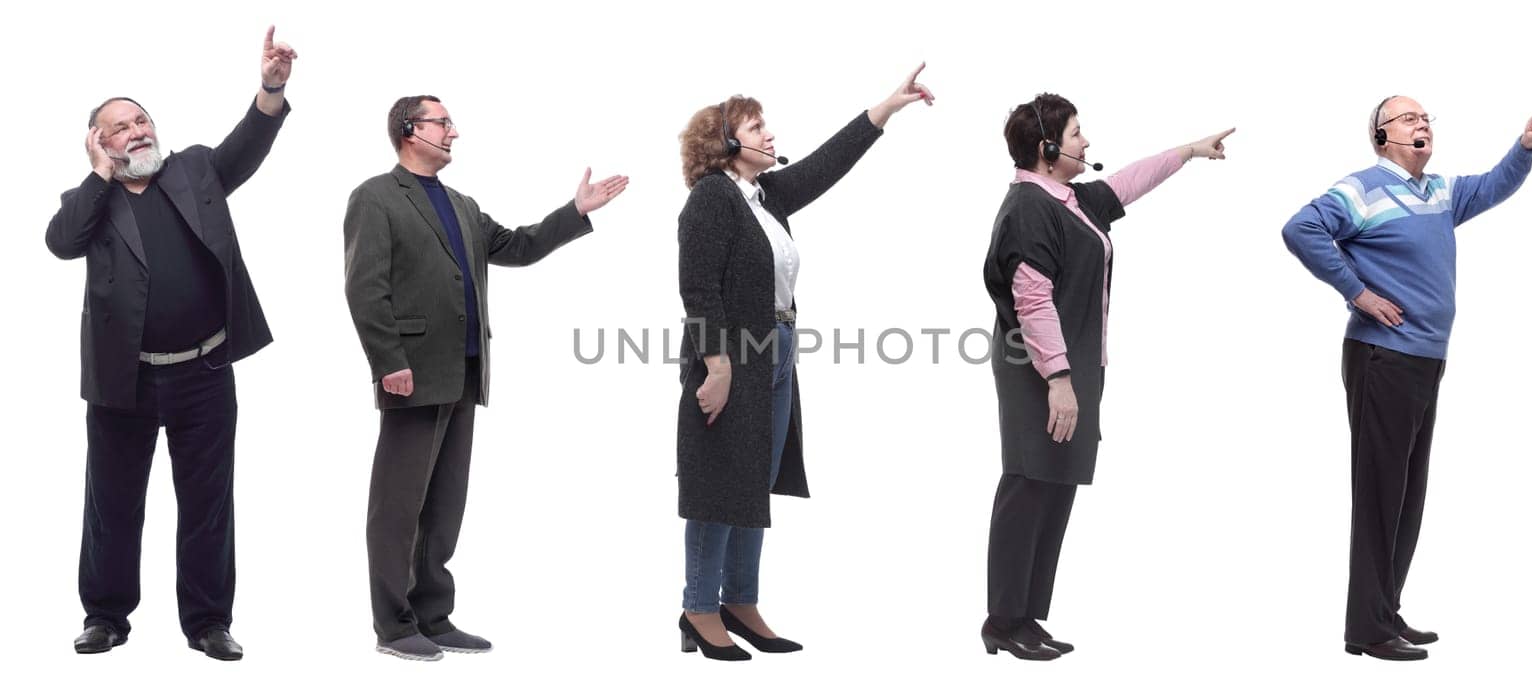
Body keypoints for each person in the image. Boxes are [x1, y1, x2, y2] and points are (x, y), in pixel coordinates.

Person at [343, 95, 628, 662]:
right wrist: (389, 361)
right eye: (441, 122)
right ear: (408, 130)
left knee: (445, 504)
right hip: (412, 374)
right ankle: (393, 625)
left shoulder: (462, 204)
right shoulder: (375, 197)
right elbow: (363, 286)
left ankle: (433, 615)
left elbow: (517, 247)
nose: (453, 131)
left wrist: (575, 211)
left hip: (464, 372)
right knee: (398, 507)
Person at [43, 26, 296, 662]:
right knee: (113, 503)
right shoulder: (89, 201)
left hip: (205, 370)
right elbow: (60, 242)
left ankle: (209, 621)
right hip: (122, 380)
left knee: (209, 503)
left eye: (142, 120)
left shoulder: (195, 169)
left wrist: (269, 89)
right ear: (100, 143)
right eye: (120, 126)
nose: (137, 131)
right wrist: (98, 176)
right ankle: (105, 615)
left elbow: (249, 145)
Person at [673, 65, 934, 661]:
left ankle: (739, 601)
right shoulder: (714, 197)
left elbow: (825, 164)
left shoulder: (763, 197)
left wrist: (886, 109)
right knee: (719, 485)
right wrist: (716, 365)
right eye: (756, 127)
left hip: (776, 350)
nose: (769, 135)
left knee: (755, 480)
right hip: (733, 358)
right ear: (726, 142)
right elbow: (698, 288)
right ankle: (698, 607)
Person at [1282, 96, 1532, 662]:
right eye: (1409, 117)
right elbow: (1300, 228)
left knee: (1407, 493)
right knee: (1381, 493)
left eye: (1427, 117)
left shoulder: (1438, 193)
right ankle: (1367, 629)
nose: (1423, 122)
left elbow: (1492, 185)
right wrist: (1358, 293)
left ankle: (1386, 612)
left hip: (1426, 358)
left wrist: (1524, 148)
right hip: (1382, 357)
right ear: (1381, 137)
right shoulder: (1363, 188)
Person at [980, 93, 1231, 660]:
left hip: (1071, 365)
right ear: (1047, 149)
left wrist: (1188, 152)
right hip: (1041, 370)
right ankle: (1002, 619)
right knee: (1028, 483)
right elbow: (1033, 299)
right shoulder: (1028, 208)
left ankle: (1026, 615)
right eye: (1074, 135)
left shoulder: (1067, 200)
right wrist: (1060, 379)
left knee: (1057, 485)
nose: (1085, 142)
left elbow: (1125, 184)